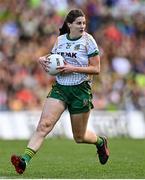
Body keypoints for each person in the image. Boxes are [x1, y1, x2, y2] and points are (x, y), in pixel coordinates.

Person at [11, 9, 110, 174]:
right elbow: (53, 57)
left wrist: (73, 68)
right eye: (79, 23)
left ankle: (100, 142)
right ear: (69, 24)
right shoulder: (60, 40)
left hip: (80, 90)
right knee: (44, 125)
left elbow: (96, 68)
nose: (82, 26)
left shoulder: (89, 41)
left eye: (84, 23)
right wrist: (42, 58)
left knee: (79, 137)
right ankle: (24, 161)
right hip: (61, 88)